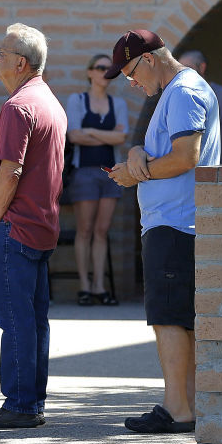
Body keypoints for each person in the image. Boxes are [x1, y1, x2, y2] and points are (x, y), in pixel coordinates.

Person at [103, 29, 220, 434]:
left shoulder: (184, 90)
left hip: (176, 222)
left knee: (168, 318)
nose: (132, 83)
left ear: (149, 59)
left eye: (132, 73)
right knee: (179, 318)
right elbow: (162, 150)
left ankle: (177, 409)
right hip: (174, 221)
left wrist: (139, 174)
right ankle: (187, 404)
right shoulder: (172, 92)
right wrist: (138, 155)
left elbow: (186, 156)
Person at [0, 23, 66, 430]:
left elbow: (10, 171)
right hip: (40, 225)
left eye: (1, 53)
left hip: (15, 226)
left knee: (14, 318)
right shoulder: (48, 102)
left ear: (21, 62)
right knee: (32, 319)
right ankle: (30, 400)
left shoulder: (18, 107)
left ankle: (21, 404)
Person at [64, 53, 128, 306]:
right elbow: (75, 135)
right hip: (84, 171)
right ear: (89, 72)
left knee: (102, 231)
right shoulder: (77, 100)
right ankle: (85, 286)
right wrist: (105, 135)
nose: (105, 72)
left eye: (109, 68)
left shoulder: (118, 103)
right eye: (100, 68)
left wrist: (91, 131)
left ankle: (100, 286)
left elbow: (121, 138)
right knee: (85, 230)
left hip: (111, 172)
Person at [177, 50, 222, 164]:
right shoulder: (177, 97)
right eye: (179, 70)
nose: (182, 74)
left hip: (217, 168)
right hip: (186, 170)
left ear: (202, 67)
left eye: (187, 68)